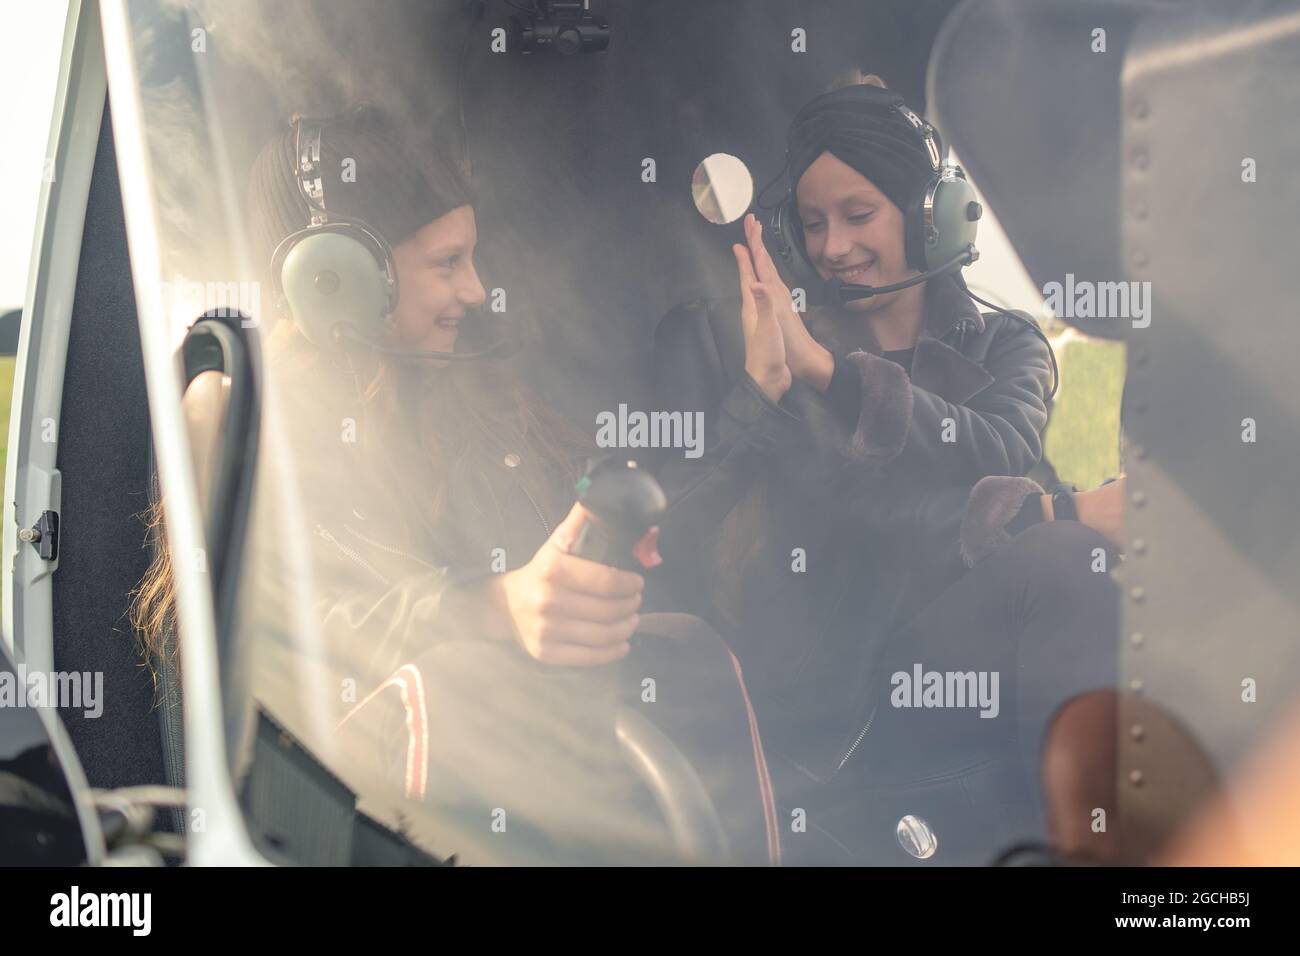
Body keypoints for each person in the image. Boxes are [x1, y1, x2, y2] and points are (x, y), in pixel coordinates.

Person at [132, 105, 778, 865]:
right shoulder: (239, 419)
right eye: (446, 263)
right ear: (335, 277)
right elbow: (276, 637)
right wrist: (489, 609)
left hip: (553, 807)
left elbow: (611, 556)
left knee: (689, 656)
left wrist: (756, 404)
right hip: (354, 832)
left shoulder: (484, 404)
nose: (475, 291)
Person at [653, 76, 1127, 863]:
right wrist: (788, 381)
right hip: (848, 678)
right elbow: (852, 519)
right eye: (811, 224)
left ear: (928, 217)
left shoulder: (1008, 344)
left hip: (973, 643)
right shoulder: (788, 354)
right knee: (1064, 557)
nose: (833, 247)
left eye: (858, 214)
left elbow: (999, 447)